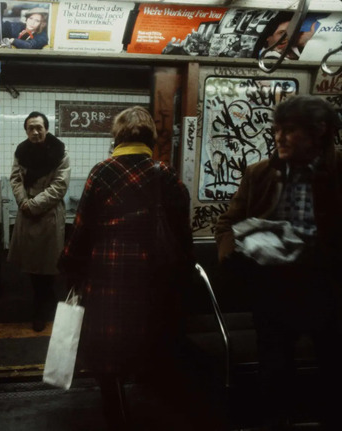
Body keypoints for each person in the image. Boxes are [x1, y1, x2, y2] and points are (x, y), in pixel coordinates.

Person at [59, 106, 218, 431]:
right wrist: (183, 275)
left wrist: (70, 264)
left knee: (109, 354)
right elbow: (182, 234)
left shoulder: (102, 172)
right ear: (151, 138)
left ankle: (117, 416)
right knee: (151, 346)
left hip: (109, 276)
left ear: (117, 137)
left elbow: (83, 227)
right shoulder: (166, 174)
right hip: (154, 280)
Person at [215, 95, 342, 430]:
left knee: (333, 370)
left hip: (328, 288)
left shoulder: (337, 173)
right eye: (276, 130)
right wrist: (236, 252)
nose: (279, 138)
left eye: (290, 130)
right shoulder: (261, 174)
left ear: (319, 133)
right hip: (273, 287)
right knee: (274, 370)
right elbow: (226, 223)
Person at [8, 111, 70, 332]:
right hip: (27, 212)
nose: (35, 132)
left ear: (46, 129)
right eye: (30, 128)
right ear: (26, 130)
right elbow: (15, 178)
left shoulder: (60, 151)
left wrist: (33, 205)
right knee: (32, 265)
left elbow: (60, 185)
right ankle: (40, 302)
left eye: (39, 127)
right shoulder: (21, 151)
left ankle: (44, 307)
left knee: (48, 264)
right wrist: (24, 201)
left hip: (49, 214)